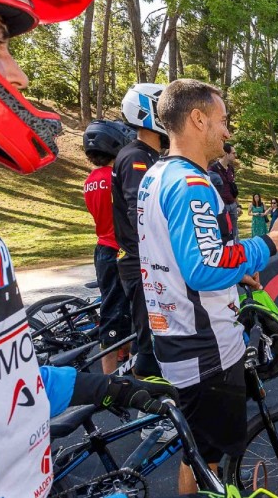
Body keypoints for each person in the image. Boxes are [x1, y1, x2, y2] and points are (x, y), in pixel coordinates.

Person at [0, 0, 178, 498]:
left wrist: (103, 390)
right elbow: (137, 220)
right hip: (128, 260)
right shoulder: (134, 162)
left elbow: (12, 382)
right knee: (131, 326)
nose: (19, 73)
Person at [136, 78, 278, 494]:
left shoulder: (157, 174)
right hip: (205, 346)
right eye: (222, 120)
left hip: (175, 334)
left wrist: (238, 268)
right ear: (198, 119)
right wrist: (270, 243)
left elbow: (186, 256)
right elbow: (205, 267)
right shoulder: (193, 183)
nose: (227, 132)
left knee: (197, 450)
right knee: (206, 461)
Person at [113, 83, 167, 380]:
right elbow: (140, 214)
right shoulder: (136, 156)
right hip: (140, 263)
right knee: (150, 343)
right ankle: (150, 421)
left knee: (158, 337)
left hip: (152, 263)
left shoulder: (153, 156)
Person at [82, 120, 135, 374]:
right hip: (120, 249)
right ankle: (112, 379)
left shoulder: (90, 180)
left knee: (112, 306)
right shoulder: (117, 178)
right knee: (124, 312)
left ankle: (119, 364)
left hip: (102, 247)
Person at [208, 143, 240, 241]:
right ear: (226, 154)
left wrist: (238, 205)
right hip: (222, 206)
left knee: (235, 232)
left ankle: (238, 251)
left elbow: (233, 188)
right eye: (233, 153)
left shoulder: (231, 169)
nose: (235, 156)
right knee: (224, 232)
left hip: (232, 204)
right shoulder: (213, 169)